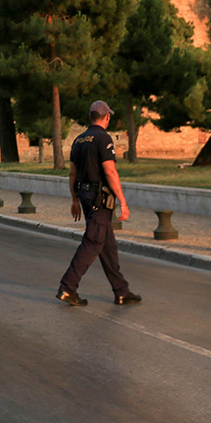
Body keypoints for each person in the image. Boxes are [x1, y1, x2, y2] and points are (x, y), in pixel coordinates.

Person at [57, 101, 141, 307]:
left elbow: (72, 173)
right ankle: (68, 287)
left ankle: (121, 290)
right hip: (99, 198)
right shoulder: (103, 138)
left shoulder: (78, 140)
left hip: (85, 196)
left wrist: (74, 199)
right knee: (93, 241)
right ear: (107, 117)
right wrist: (123, 201)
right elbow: (110, 171)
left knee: (107, 244)